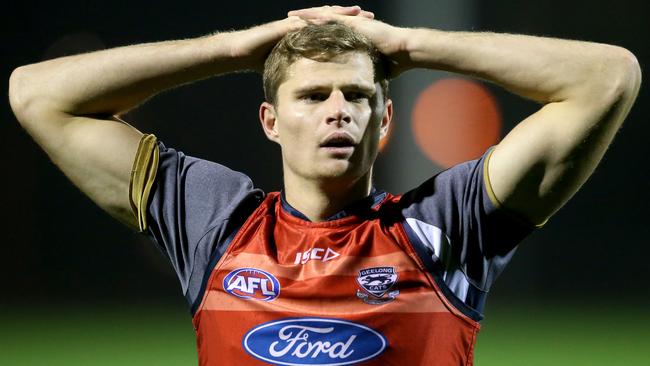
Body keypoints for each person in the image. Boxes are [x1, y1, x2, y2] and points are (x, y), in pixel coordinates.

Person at [8, 5, 640, 366]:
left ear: (384, 120)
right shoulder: (215, 220)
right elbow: (35, 93)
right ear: (270, 121)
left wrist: (408, 44)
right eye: (312, 95)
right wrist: (233, 49)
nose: (338, 109)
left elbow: (607, 77)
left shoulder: (449, 225)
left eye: (359, 96)